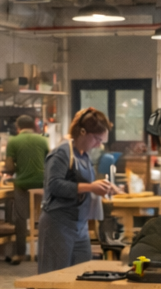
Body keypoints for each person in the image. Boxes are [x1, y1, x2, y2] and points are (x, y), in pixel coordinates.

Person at [39, 107, 117, 273]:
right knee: (56, 277)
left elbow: (81, 182)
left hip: (80, 225)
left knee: (81, 274)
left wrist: (104, 186)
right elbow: (54, 185)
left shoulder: (84, 155)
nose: (99, 145)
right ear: (83, 132)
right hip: (58, 223)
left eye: (102, 141)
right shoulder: (62, 153)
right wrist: (91, 187)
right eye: (97, 139)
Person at [3, 114, 47, 265]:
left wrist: (18, 168)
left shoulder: (14, 141)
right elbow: (51, 161)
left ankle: (19, 254)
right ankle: (44, 253)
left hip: (22, 184)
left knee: (20, 218)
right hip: (42, 184)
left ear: (18, 127)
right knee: (43, 217)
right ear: (34, 126)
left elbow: (9, 167)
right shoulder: (43, 140)